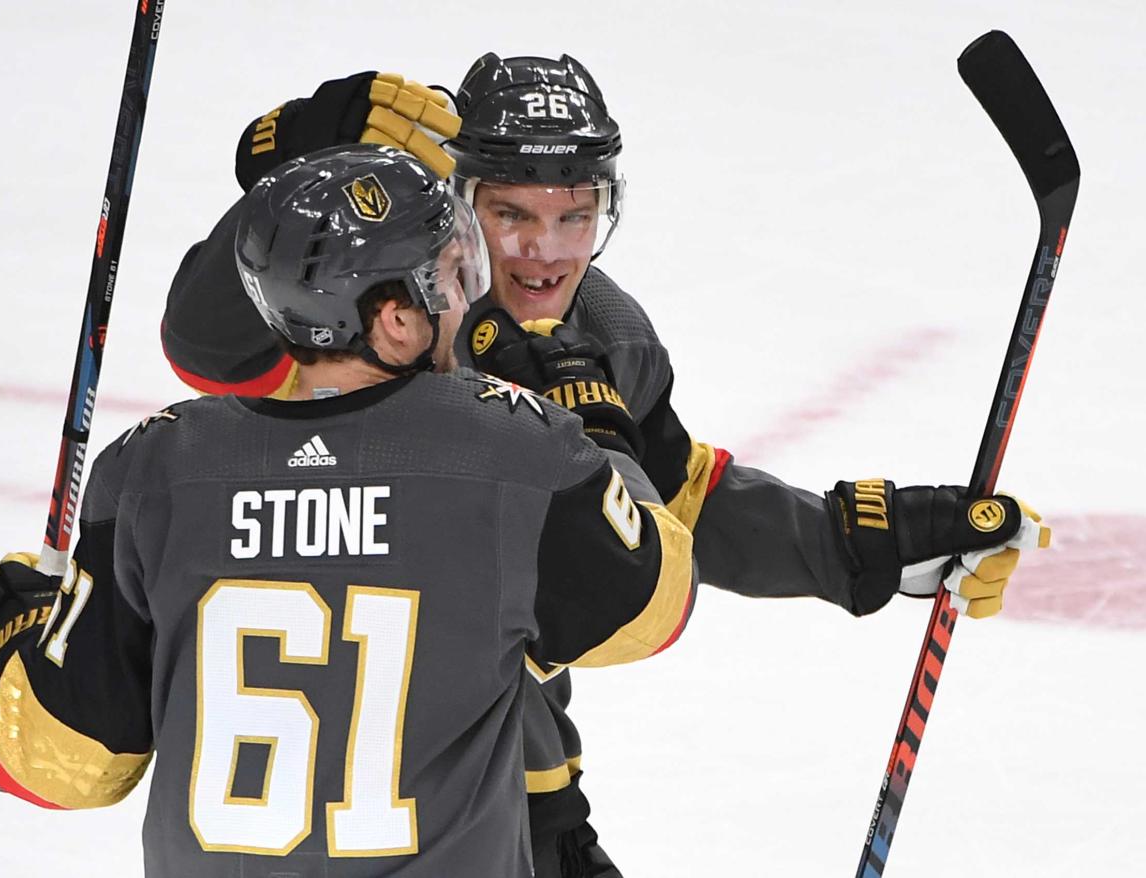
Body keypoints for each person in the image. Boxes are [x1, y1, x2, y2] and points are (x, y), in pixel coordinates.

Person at [158, 61, 1050, 876]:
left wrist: (852, 545)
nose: (544, 254)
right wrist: (312, 151)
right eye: (511, 216)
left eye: (573, 215)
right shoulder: (370, 309)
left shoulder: (602, 335)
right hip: (348, 801)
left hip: (472, 796)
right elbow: (206, 346)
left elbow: (672, 499)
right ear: (457, 203)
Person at [0, 145, 697, 877]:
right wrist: (599, 430)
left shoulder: (152, 473)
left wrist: (28, 644)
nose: (468, 296)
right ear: (397, 321)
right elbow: (654, 610)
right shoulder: (510, 452)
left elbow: (59, 774)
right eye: (448, 274)